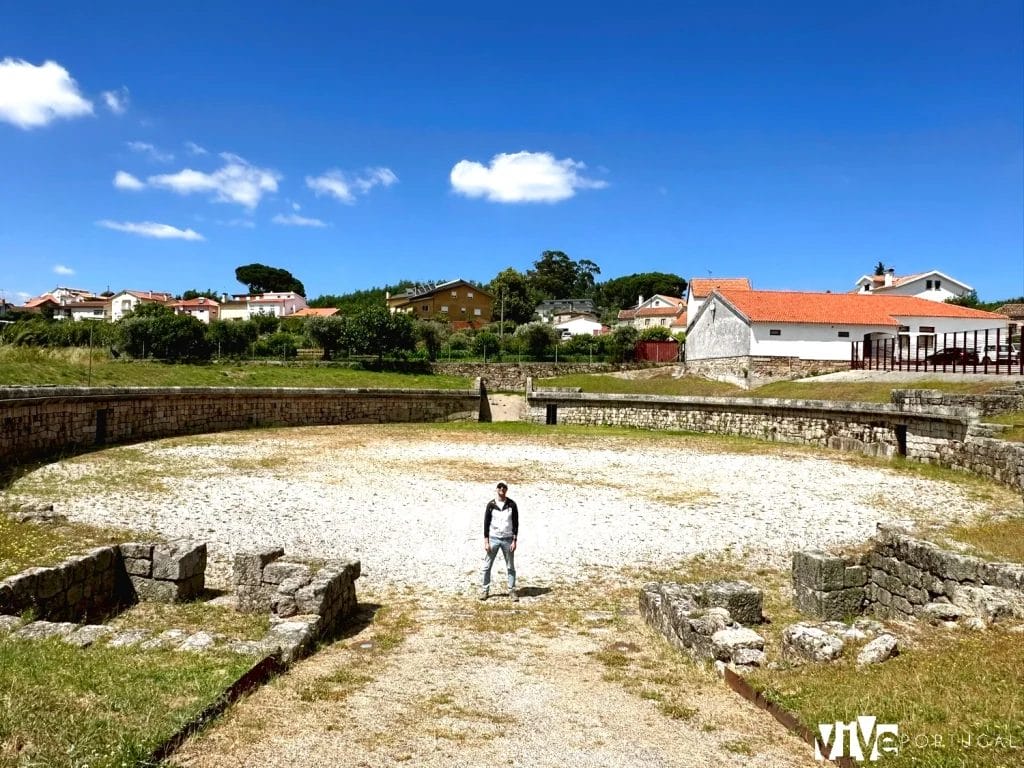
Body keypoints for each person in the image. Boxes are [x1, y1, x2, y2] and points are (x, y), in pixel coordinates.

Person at [480, 481, 518, 601]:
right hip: (494, 538)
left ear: (506, 489)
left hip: (508, 539)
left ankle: (511, 590)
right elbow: (486, 523)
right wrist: (486, 541)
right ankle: (485, 590)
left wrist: (514, 540)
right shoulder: (491, 505)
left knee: (510, 566)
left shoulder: (512, 504)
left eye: (504, 487)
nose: (502, 489)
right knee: (487, 566)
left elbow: (516, 523)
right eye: (500, 487)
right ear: (496, 489)